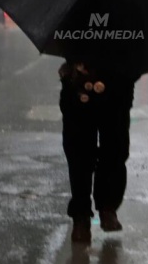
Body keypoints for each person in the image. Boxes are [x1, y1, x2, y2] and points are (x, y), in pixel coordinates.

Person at [58, 56, 140, 243]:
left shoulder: (132, 28)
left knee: (115, 150)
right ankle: (81, 217)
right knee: (79, 152)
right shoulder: (73, 27)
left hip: (118, 85)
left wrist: (129, 72)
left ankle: (107, 208)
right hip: (78, 86)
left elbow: (139, 51)